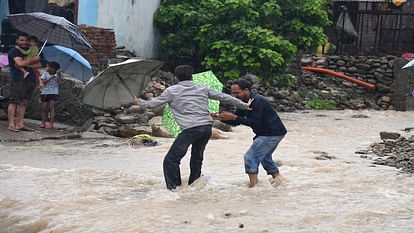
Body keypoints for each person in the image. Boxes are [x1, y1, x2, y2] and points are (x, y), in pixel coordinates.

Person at [136, 65, 252, 190]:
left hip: (191, 129)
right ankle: (194, 186)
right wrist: (245, 105)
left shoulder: (171, 91)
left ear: (176, 77)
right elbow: (224, 97)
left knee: (171, 160)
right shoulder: (202, 87)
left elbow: (150, 105)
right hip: (207, 128)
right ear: (191, 77)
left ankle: (174, 189)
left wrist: (137, 101)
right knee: (197, 157)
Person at [213, 76, 287, 188]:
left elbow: (255, 123)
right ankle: (279, 181)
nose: (234, 96)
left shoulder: (257, 102)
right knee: (264, 157)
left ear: (246, 90)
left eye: (237, 93)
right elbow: (237, 121)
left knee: (250, 157)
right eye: (233, 93)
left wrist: (234, 117)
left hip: (271, 133)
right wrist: (221, 118)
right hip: (272, 132)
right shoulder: (243, 103)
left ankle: (253, 186)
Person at [7, 32, 41, 132]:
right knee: (14, 102)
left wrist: (30, 63)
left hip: (31, 79)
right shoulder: (14, 51)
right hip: (18, 79)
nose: (24, 42)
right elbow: (19, 63)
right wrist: (32, 60)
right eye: (21, 40)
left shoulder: (31, 51)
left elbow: (38, 65)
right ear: (17, 40)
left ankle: (20, 124)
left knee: (24, 102)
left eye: (26, 40)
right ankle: (11, 124)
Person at [40, 61, 62, 129]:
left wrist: (58, 76)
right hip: (45, 92)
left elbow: (60, 83)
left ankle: (51, 124)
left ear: (53, 68)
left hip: (53, 92)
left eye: (48, 66)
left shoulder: (58, 74)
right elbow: (43, 82)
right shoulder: (45, 74)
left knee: (51, 108)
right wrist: (50, 78)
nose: (46, 68)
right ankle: (43, 123)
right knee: (44, 108)